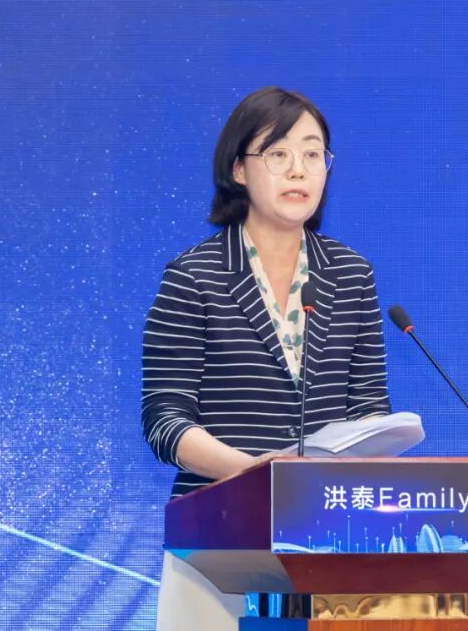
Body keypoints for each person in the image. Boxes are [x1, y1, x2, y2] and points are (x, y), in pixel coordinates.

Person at [141, 86, 391, 631]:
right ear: (238, 170)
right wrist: (252, 475)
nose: (298, 169)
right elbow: (165, 420)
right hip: (216, 538)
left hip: (327, 535)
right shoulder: (193, 277)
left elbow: (369, 410)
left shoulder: (351, 275)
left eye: (312, 154)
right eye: (278, 154)